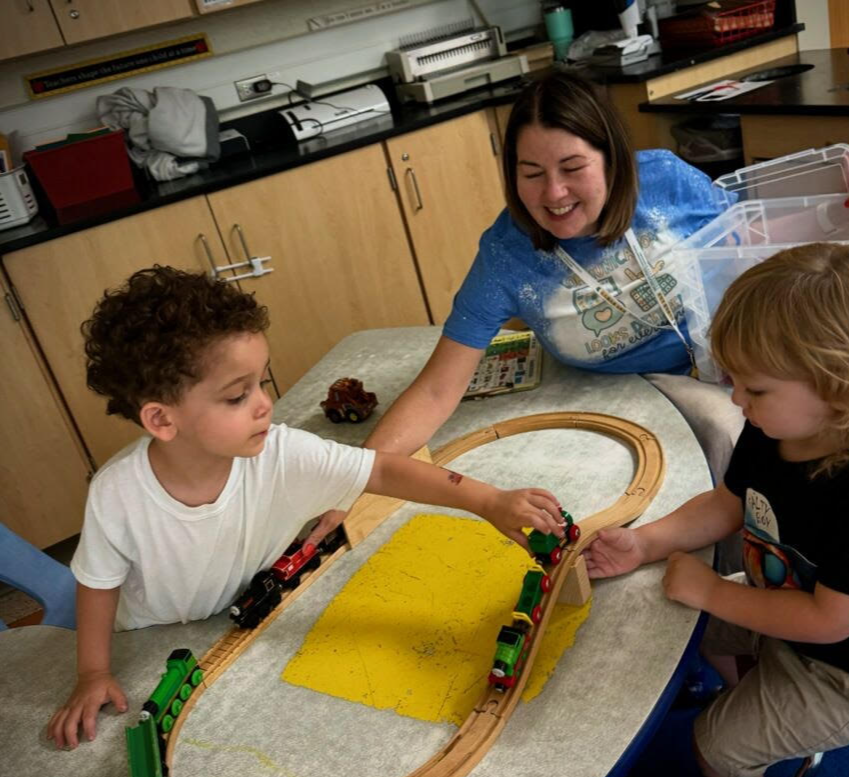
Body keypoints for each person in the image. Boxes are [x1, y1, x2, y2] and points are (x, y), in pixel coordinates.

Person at [303, 69, 849, 548]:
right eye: (530, 174)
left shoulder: (662, 177)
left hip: (733, 358)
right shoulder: (506, 255)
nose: (552, 195)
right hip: (642, 390)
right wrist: (348, 480)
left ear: (611, 157)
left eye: (572, 169)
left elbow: (748, 234)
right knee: (728, 439)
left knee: (846, 423)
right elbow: (436, 391)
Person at [46, 267, 564, 750]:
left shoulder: (280, 450)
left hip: (241, 626)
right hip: (152, 642)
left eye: (261, 382)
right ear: (161, 420)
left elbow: (382, 469)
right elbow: (97, 585)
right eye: (236, 396)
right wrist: (93, 673)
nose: (264, 403)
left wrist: (487, 500)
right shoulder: (117, 494)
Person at [583, 242, 849, 777]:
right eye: (735, 381)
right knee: (703, 632)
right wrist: (646, 540)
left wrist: (716, 591)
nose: (737, 400)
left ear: (841, 387)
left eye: (755, 388)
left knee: (717, 745)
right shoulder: (777, 429)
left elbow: (830, 621)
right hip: (789, 612)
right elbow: (729, 503)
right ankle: (752, 699)